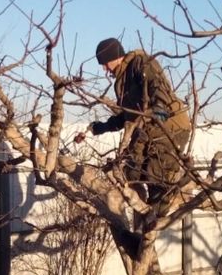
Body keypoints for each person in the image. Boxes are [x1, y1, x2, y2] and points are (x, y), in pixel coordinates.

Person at [76, 37, 191, 207]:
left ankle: (161, 207)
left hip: (169, 126)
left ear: (115, 57)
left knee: (156, 176)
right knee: (132, 171)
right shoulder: (121, 81)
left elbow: (158, 87)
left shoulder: (140, 62)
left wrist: (158, 109)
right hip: (147, 128)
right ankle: (145, 213)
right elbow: (128, 116)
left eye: (105, 63)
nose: (104, 69)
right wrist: (100, 127)